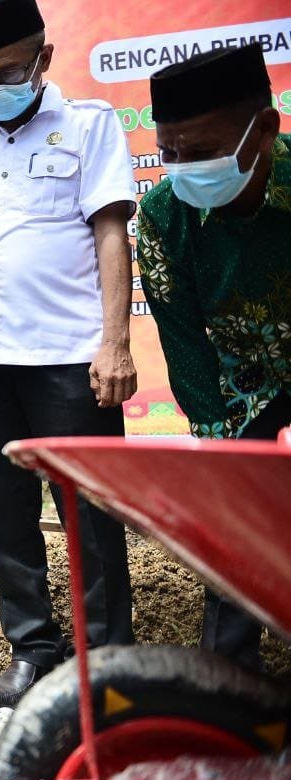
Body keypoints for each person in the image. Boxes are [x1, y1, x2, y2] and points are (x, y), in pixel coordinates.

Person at [0, 0, 137, 707]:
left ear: (44, 59)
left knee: (89, 514)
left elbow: (111, 232)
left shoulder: (90, 126)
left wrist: (115, 341)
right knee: (2, 513)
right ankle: (33, 651)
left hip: (68, 356)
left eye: (6, 71)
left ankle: (100, 665)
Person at [138, 43, 287, 673]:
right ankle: (228, 689)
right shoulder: (161, 219)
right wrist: (216, 448)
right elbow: (186, 347)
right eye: (169, 152)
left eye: (200, 150)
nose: (183, 168)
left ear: (266, 129)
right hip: (244, 392)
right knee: (235, 532)